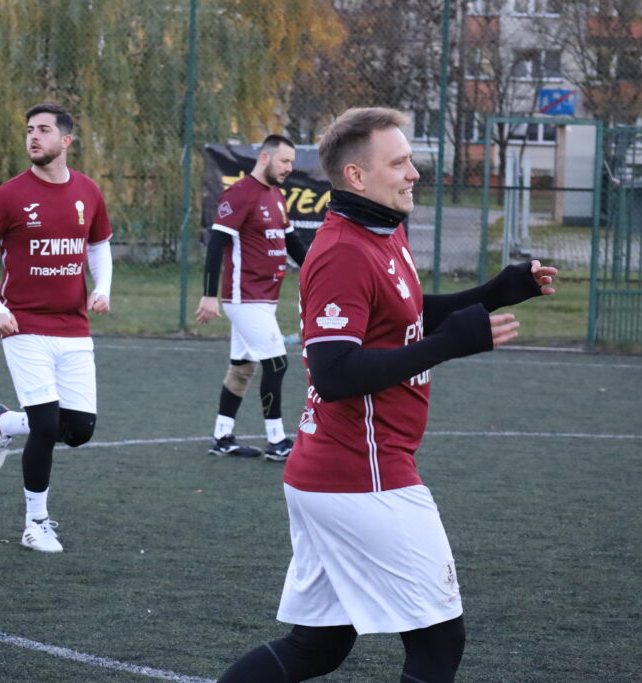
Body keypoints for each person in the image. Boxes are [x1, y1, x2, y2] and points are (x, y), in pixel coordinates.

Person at [217, 108, 558, 682]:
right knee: (439, 643)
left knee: (317, 648)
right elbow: (334, 373)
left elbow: (405, 314)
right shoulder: (343, 251)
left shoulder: (383, 230)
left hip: (335, 472)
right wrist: (447, 346)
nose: (413, 173)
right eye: (398, 163)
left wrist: (497, 292)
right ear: (356, 176)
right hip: (362, 474)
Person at [0, 103, 113, 554]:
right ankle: (35, 524)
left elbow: (99, 246)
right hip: (23, 326)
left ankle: (4, 422)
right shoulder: (9, 195)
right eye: (29, 130)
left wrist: (102, 287)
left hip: (75, 327)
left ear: (66, 140)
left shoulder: (88, 191)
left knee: (79, 429)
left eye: (44, 130)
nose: (34, 137)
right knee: (45, 425)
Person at [195, 134, 309, 462]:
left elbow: (292, 243)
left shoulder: (276, 195)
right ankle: (277, 441)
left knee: (242, 368)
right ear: (264, 158)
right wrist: (209, 295)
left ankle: (222, 436)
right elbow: (216, 245)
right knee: (277, 362)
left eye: (291, 162)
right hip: (244, 298)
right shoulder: (240, 194)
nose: (289, 167)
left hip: (264, 299)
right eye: (284, 161)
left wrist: (320, 270)